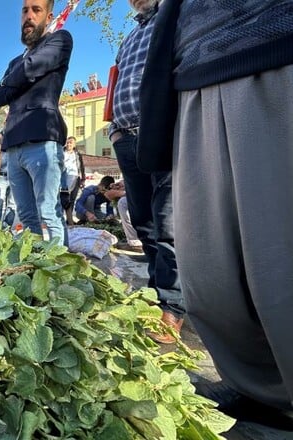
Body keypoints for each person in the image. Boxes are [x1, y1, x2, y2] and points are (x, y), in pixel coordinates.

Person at [139, 0, 293, 429]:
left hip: (274, 48)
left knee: (279, 263)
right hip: (196, 76)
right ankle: (263, 392)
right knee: (209, 271)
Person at [108, 0, 184, 344]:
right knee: (144, 222)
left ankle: (173, 307)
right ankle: (156, 296)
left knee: (168, 223)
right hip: (127, 139)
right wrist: (115, 133)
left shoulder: (175, 18)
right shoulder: (130, 38)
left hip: (162, 132)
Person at [0, 0, 72, 244]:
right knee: (26, 216)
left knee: (49, 212)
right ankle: (37, 269)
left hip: (42, 138)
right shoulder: (15, 62)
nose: (29, 16)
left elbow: (31, 67)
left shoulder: (60, 40)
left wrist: (12, 83)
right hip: (13, 144)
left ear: (49, 17)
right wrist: (22, 74)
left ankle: (63, 272)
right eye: (25, 10)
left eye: (36, 10)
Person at [60, 136, 85, 225]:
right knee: (63, 199)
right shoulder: (61, 152)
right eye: (68, 142)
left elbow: (81, 167)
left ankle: (69, 219)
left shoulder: (77, 154)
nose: (69, 144)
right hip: (64, 178)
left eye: (71, 142)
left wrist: (83, 179)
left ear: (74, 144)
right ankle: (60, 219)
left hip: (75, 178)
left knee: (72, 199)